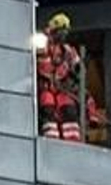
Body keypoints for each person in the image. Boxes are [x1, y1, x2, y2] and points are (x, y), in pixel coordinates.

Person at [36, 11, 106, 141]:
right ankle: (51, 137)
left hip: (63, 89)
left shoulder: (68, 51)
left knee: (69, 110)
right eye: (60, 31)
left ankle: (72, 139)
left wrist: (78, 70)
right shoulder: (41, 45)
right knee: (48, 108)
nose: (63, 35)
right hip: (45, 87)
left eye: (64, 32)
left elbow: (79, 70)